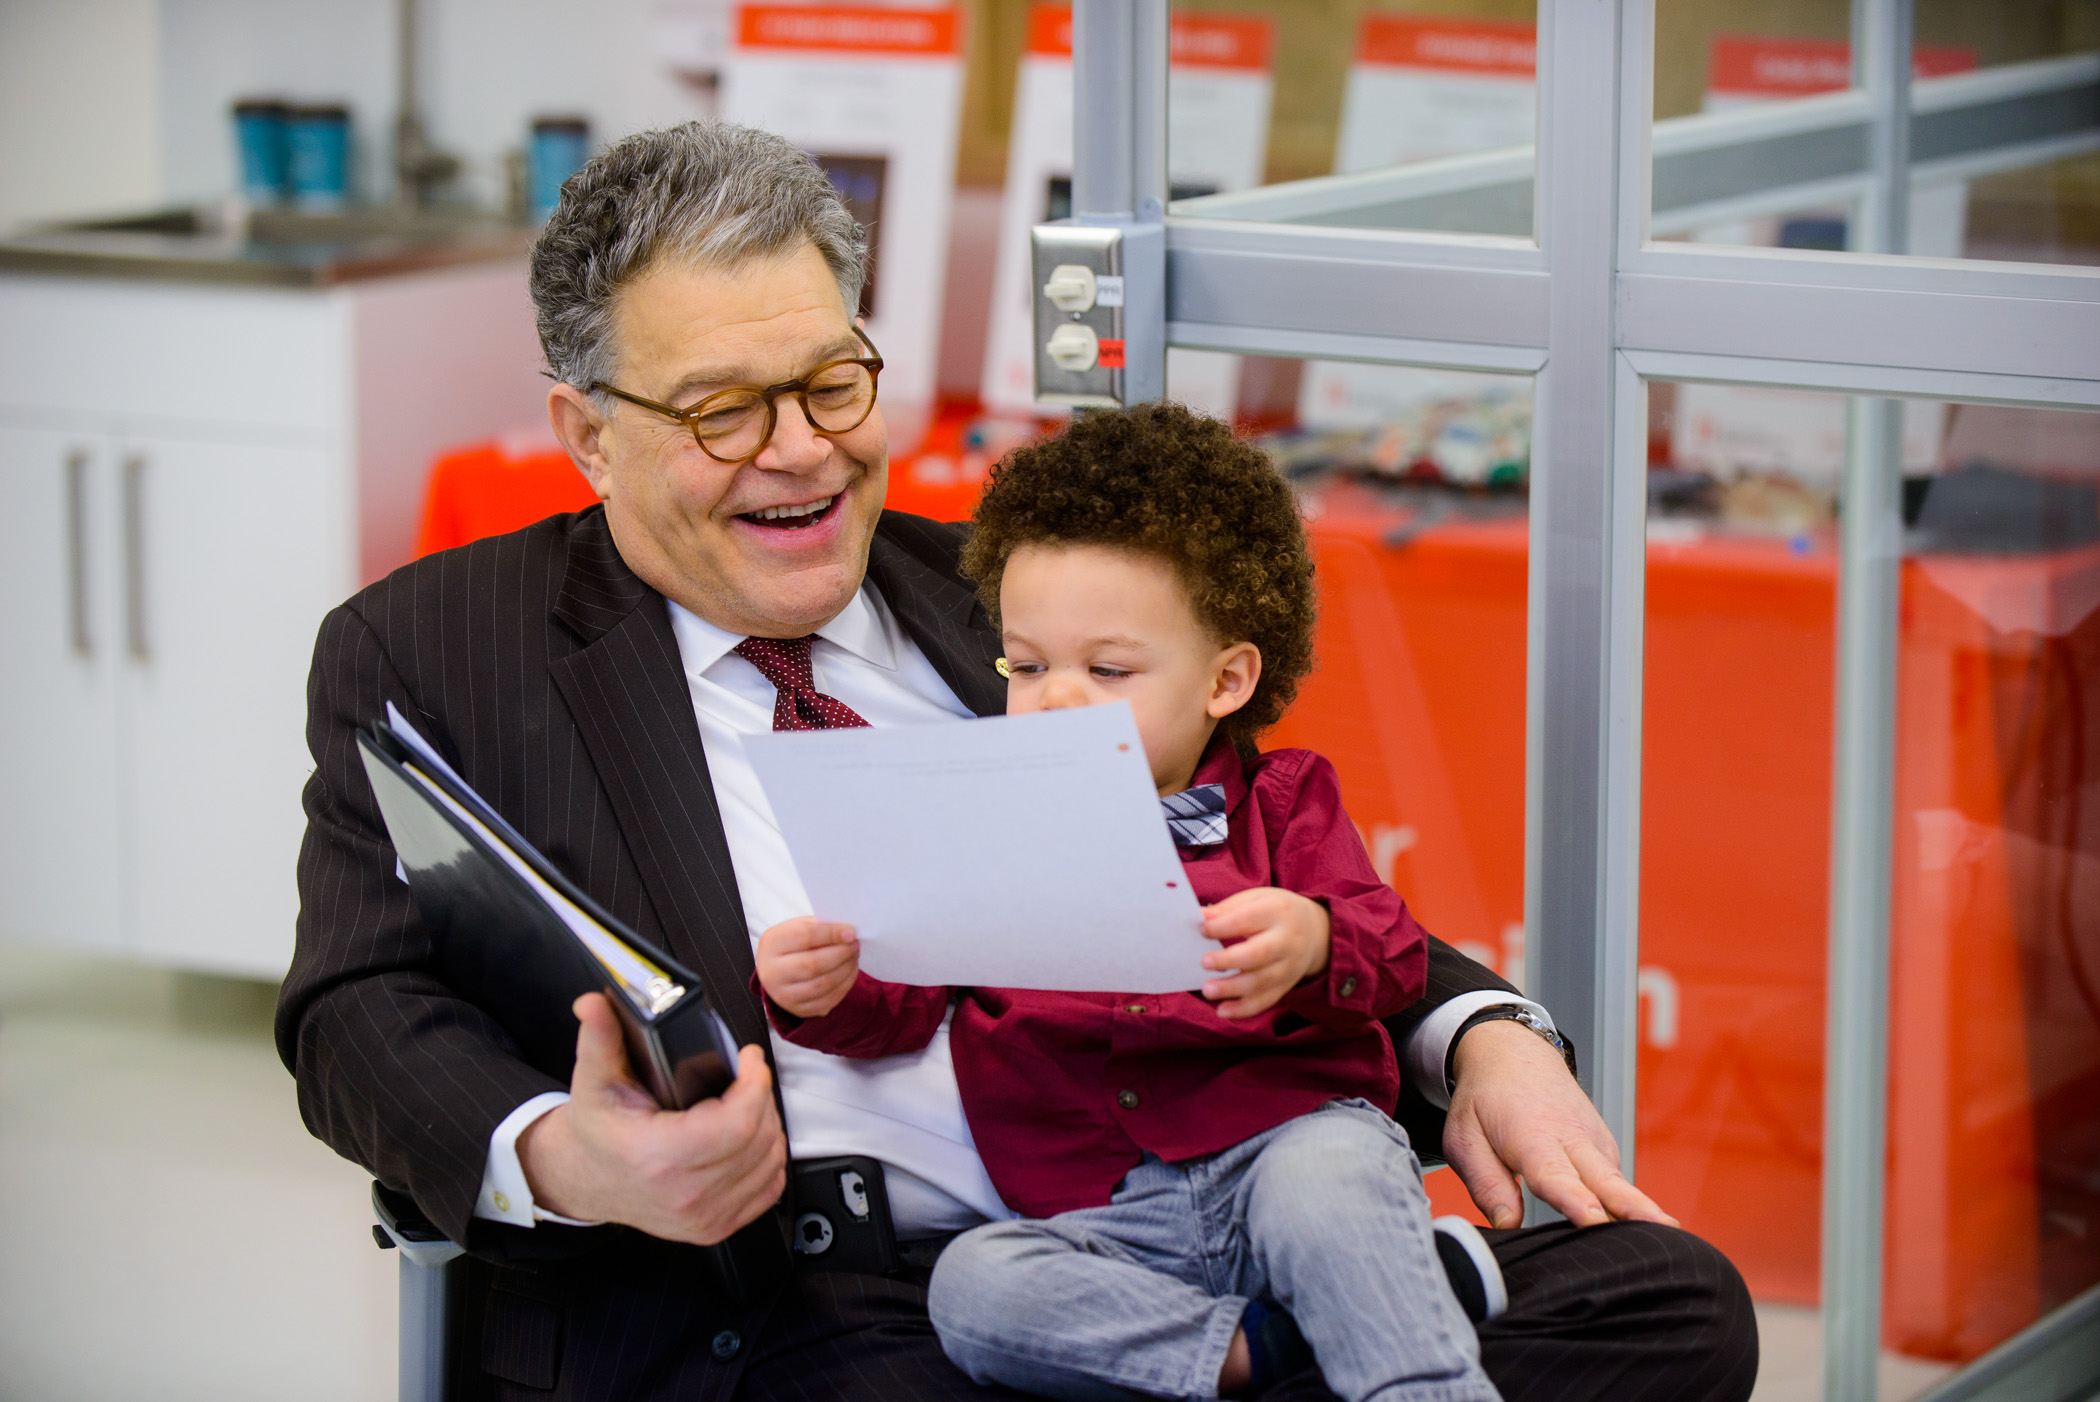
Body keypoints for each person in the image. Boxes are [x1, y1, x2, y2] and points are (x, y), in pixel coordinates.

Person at [277, 120, 1757, 1401]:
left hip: (1174, 1196)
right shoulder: (432, 648)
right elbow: (357, 1005)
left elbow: (1260, 858)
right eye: (725, 411)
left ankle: (1237, 1353)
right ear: (586, 435)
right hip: (803, 1289)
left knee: (1670, 1300)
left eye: (833, 383)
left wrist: (1480, 1031)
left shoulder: (1024, 594)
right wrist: (571, 1158)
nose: (802, 450)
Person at [754, 401, 1501, 1402]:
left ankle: (1417, 1378)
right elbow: (905, 1004)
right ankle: (1266, 1346)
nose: (1055, 695)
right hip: (1100, 1214)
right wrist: (825, 988)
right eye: (1026, 664)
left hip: (1285, 1151)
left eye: (1106, 669)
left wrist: (1314, 942)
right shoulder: (990, 820)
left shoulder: (1287, 803)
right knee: (976, 1290)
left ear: (1227, 679)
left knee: (1334, 1188)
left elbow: (1397, 955)